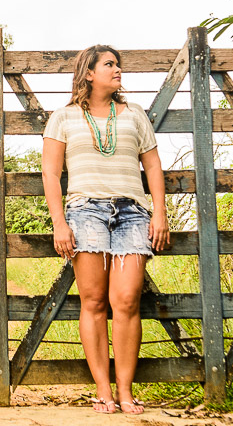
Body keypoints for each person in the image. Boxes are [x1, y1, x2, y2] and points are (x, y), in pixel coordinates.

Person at [41, 44, 170, 414]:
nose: (117, 70)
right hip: (85, 212)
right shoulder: (63, 117)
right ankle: (104, 391)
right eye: (109, 65)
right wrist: (59, 223)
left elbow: (154, 168)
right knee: (94, 301)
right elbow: (51, 173)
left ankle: (126, 390)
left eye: (118, 65)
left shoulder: (134, 115)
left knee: (127, 300)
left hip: (131, 212)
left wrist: (158, 212)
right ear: (88, 73)